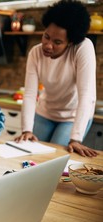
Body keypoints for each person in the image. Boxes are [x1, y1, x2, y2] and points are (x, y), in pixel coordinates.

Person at [15, 0, 98, 157]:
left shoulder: (82, 48)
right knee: (29, 154)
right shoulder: (35, 53)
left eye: (57, 42)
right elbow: (30, 94)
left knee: (54, 158)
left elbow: (86, 96)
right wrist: (27, 130)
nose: (48, 45)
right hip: (46, 112)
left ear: (71, 42)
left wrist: (75, 139)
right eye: (46, 37)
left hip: (72, 116)